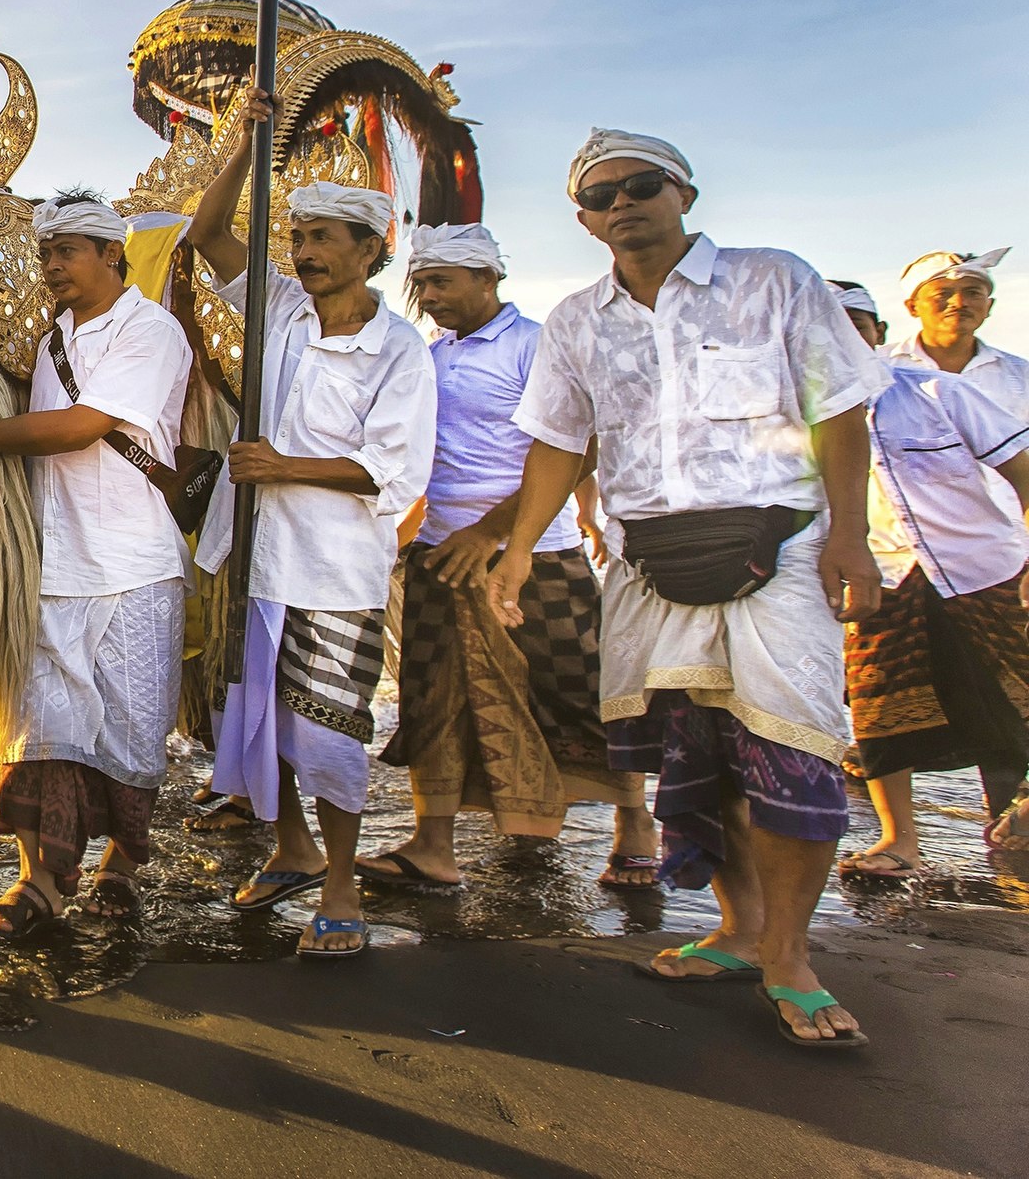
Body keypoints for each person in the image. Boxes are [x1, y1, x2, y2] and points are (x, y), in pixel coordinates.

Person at [488, 129, 884, 1050]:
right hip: (646, 564)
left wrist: (853, 538)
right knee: (694, 753)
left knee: (792, 747)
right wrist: (517, 550)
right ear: (583, 221)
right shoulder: (577, 320)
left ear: (684, 195)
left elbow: (841, 408)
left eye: (640, 184)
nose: (621, 202)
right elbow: (559, 441)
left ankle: (791, 956)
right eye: (599, 195)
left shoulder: (773, 280)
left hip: (778, 551)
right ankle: (739, 928)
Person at [183, 90, 438, 960]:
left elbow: (392, 472)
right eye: (297, 238)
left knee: (330, 725)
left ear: (372, 251)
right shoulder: (282, 308)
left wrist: (279, 465)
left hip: (336, 570)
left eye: (324, 238)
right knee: (259, 717)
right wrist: (250, 148)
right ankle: (289, 848)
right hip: (256, 554)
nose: (304, 253)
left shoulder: (398, 347)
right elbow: (205, 236)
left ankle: (339, 880)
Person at [0, 189, 192, 937]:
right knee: (39, 728)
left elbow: (81, 427)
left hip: (135, 561)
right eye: (44, 254)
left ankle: (119, 871)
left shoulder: (154, 330)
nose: (51, 266)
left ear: (114, 254)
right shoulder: (49, 344)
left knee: (132, 734)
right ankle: (38, 882)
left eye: (66, 251)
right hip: (57, 562)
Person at [362, 222, 659, 892]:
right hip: (440, 552)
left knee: (580, 692)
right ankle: (432, 845)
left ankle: (637, 826)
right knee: (434, 697)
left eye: (442, 282)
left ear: (488, 280)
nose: (428, 295)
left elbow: (578, 448)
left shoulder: (536, 346)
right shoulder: (428, 356)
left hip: (538, 556)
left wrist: (496, 535)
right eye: (421, 283)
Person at [830, 285, 1029, 878]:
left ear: (879, 330)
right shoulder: (790, 417)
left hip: (984, 568)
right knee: (879, 707)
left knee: (1016, 694)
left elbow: (1023, 472)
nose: (842, 338)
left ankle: (1020, 809)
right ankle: (900, 843)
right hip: (881, 578)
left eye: (856, 325)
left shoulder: (940, 392)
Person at [890, 249, 1028, 420]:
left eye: (973, 293)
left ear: (989, 306)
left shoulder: (1021, 375)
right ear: (913, 307)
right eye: (943, 294)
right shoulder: (881, 367)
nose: (959, 303)